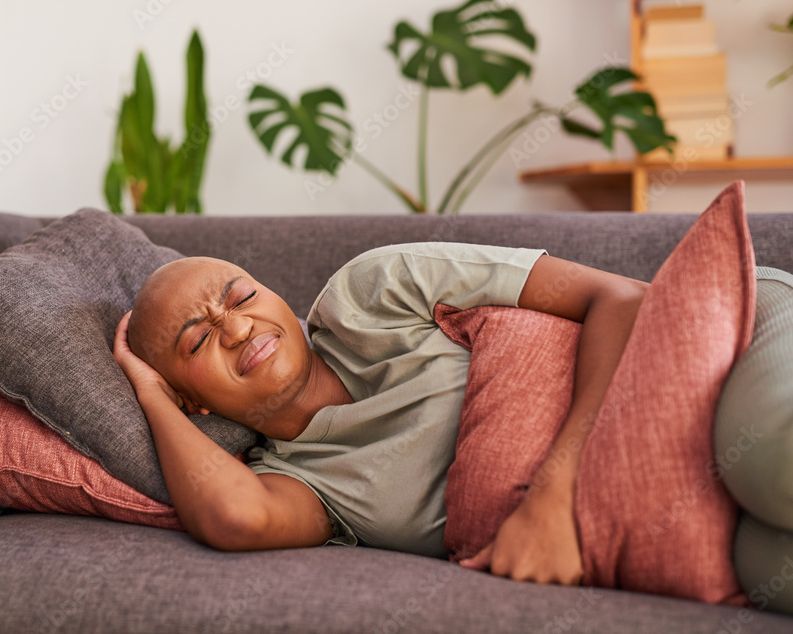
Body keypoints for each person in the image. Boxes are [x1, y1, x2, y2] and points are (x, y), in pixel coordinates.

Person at [112, 242, 649, 588]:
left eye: (244, 297)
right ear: (192, 402)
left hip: (680, 406)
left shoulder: (373, 293)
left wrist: (554, 499)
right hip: (651, 538)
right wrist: (153, 398)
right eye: (200, 340)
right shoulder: (302, 481)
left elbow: (623, 298)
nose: (237, 329)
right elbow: (235, 517)